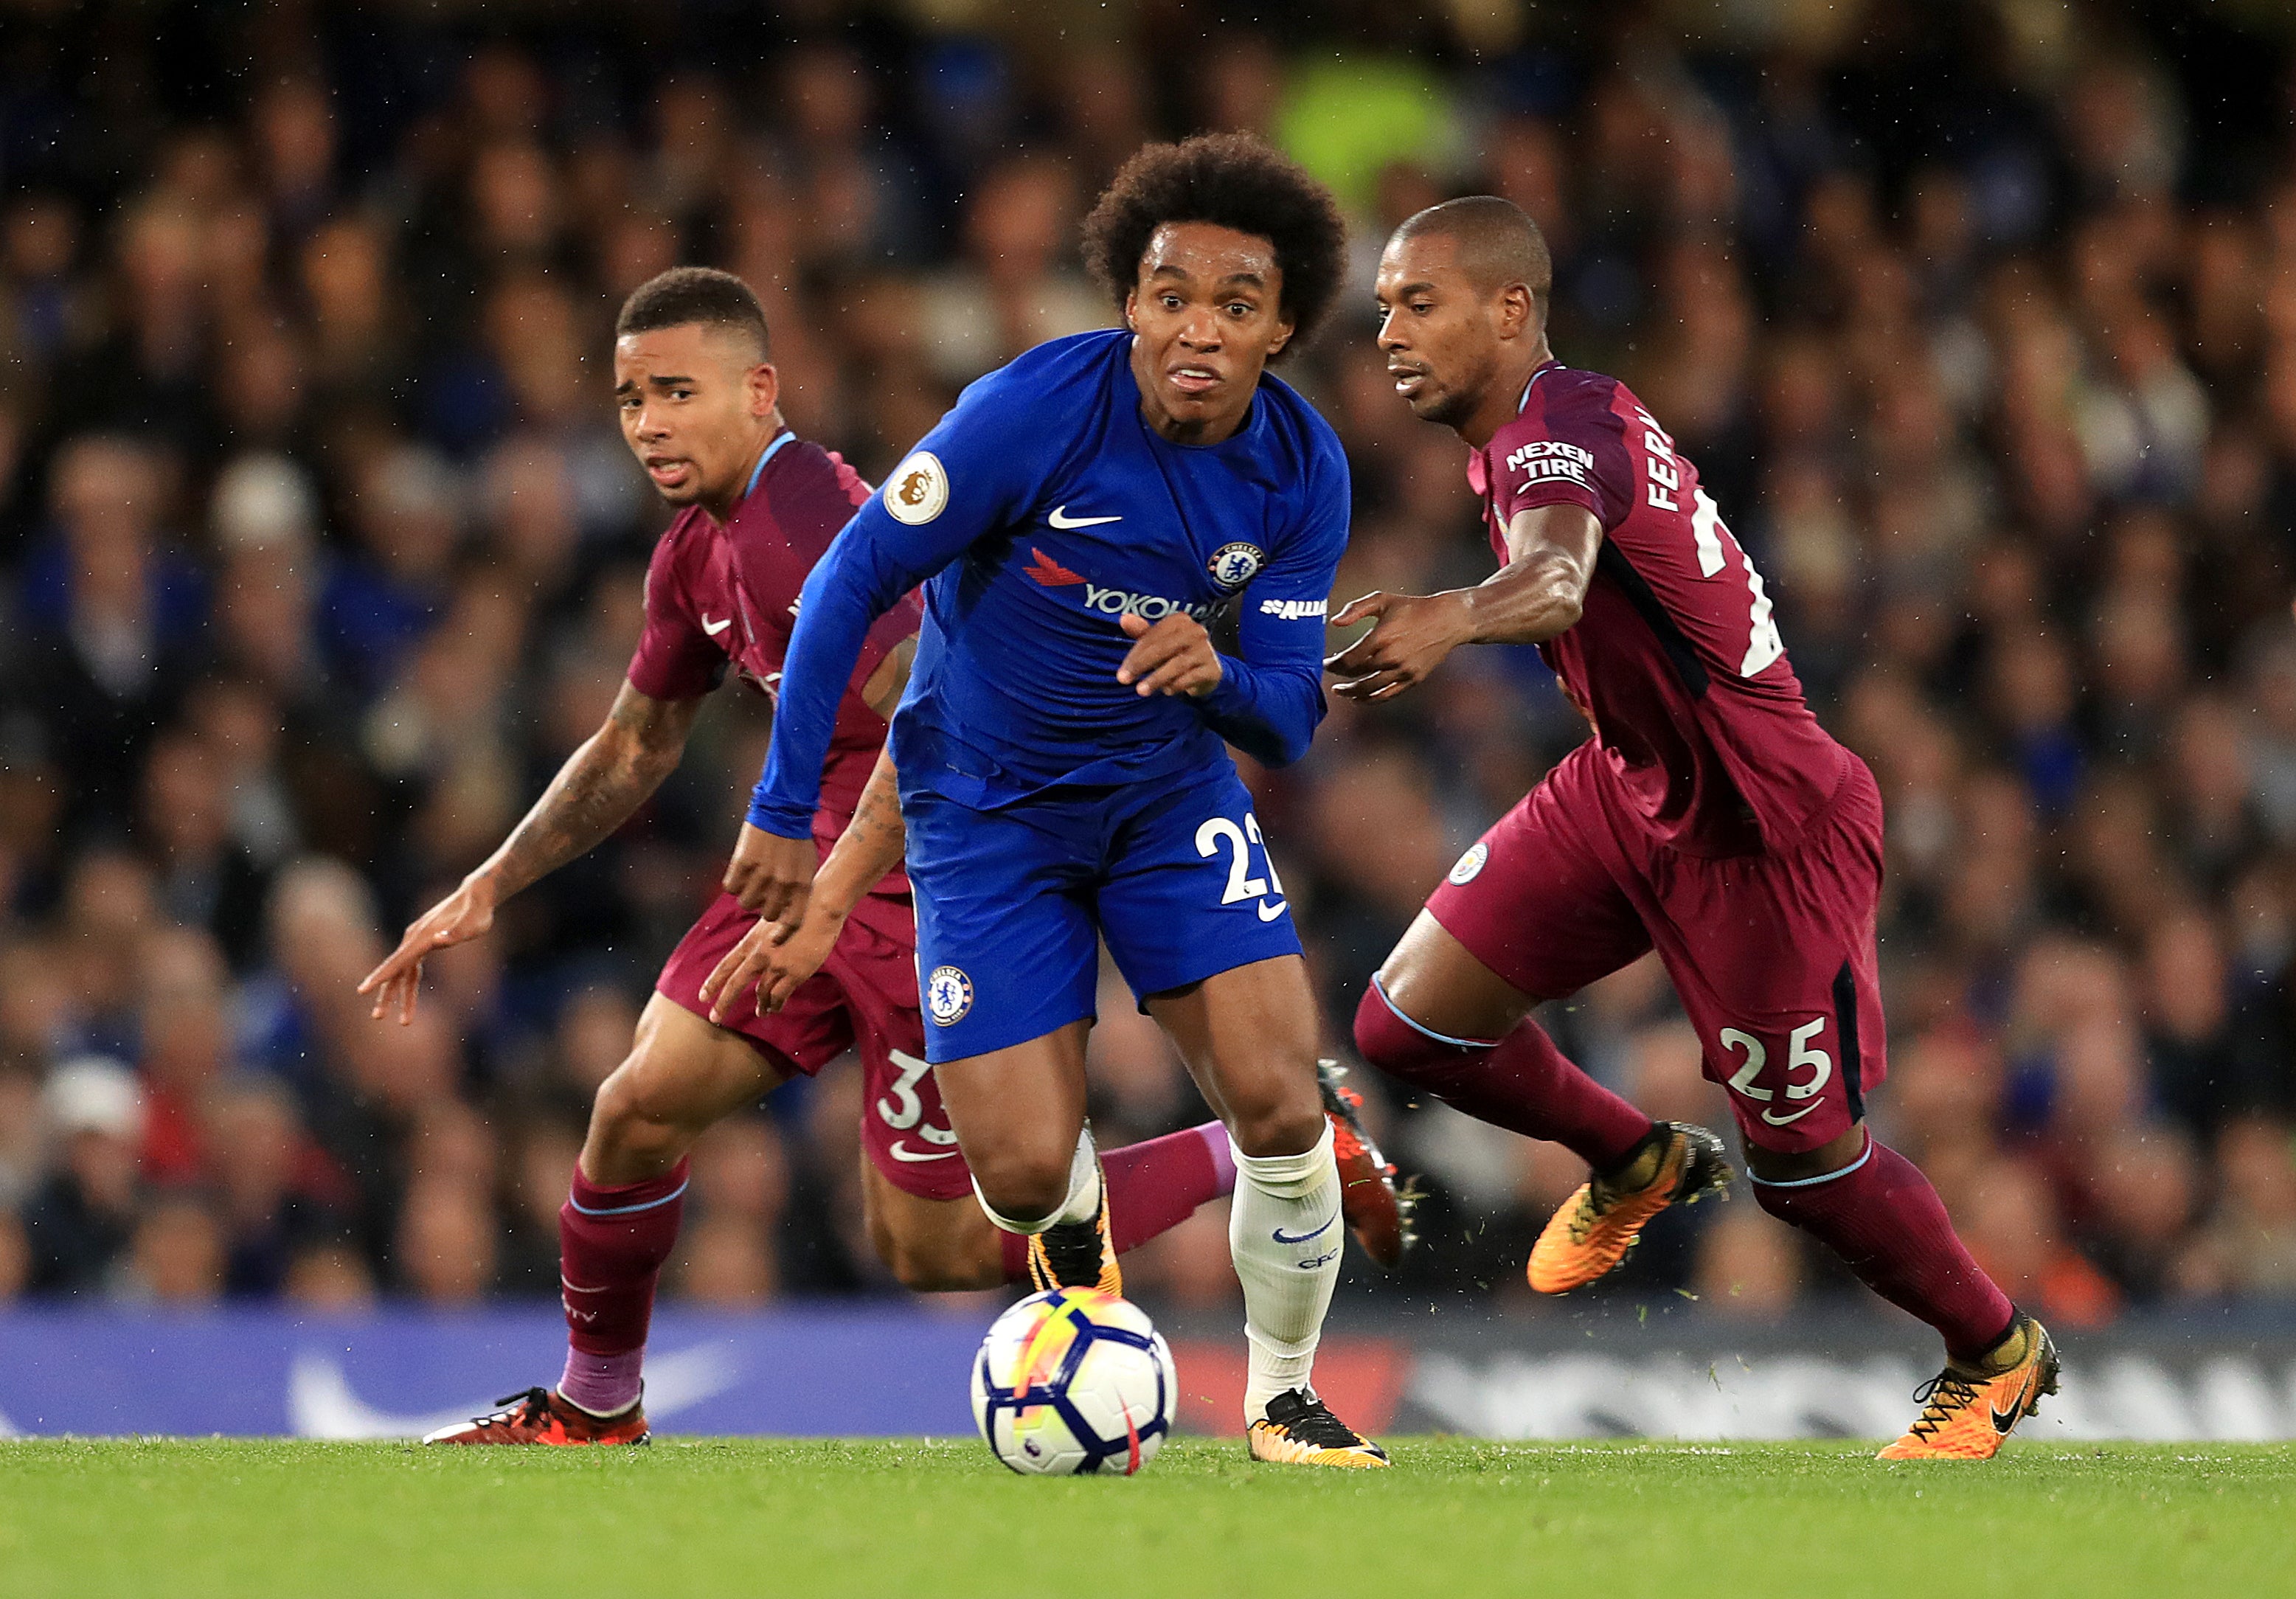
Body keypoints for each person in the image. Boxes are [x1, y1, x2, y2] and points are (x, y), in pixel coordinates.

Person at [356, 267, 1374, 1447]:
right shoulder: (696, 551)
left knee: (932, 1245)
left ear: (760, 391)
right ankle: (597, 1403)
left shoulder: (814, 524)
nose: (648, 425)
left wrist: (836, 897)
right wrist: (491, 881)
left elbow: (932, 711)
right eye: (632, 400)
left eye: (677, 394)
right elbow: (636, 742)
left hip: (901, 875)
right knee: (633, 1111)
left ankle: (1258, 1143)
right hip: (794, 874)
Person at [1331, 197, 2059, 1463]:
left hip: (1765, 833)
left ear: (1510, 310)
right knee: (1405, 1024)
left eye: (1416, 302)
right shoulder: (1542, 421)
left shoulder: (1551, 437)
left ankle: (1995, 1352)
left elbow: (1555, 577)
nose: (1386, 328)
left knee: (1803, 1173)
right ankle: (1634, 1158)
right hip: (1631, 788)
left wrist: (1449, 617)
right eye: (1384, 304)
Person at [732, 136, 1387, 1468]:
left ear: (1282, 331)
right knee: (1018, 1178)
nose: (1196, 327)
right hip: (985, 818)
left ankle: (1283, 1400)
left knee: (1278, 1101)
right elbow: (853, 576)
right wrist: (783, 809)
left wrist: (1219, 680)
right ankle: (1084, 1270)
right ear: (1128, 303)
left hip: (1162, 801)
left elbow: (1288, 714)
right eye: (1169, 294)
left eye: (1236, 304)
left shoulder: (1301, 472)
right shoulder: (1031, 411)